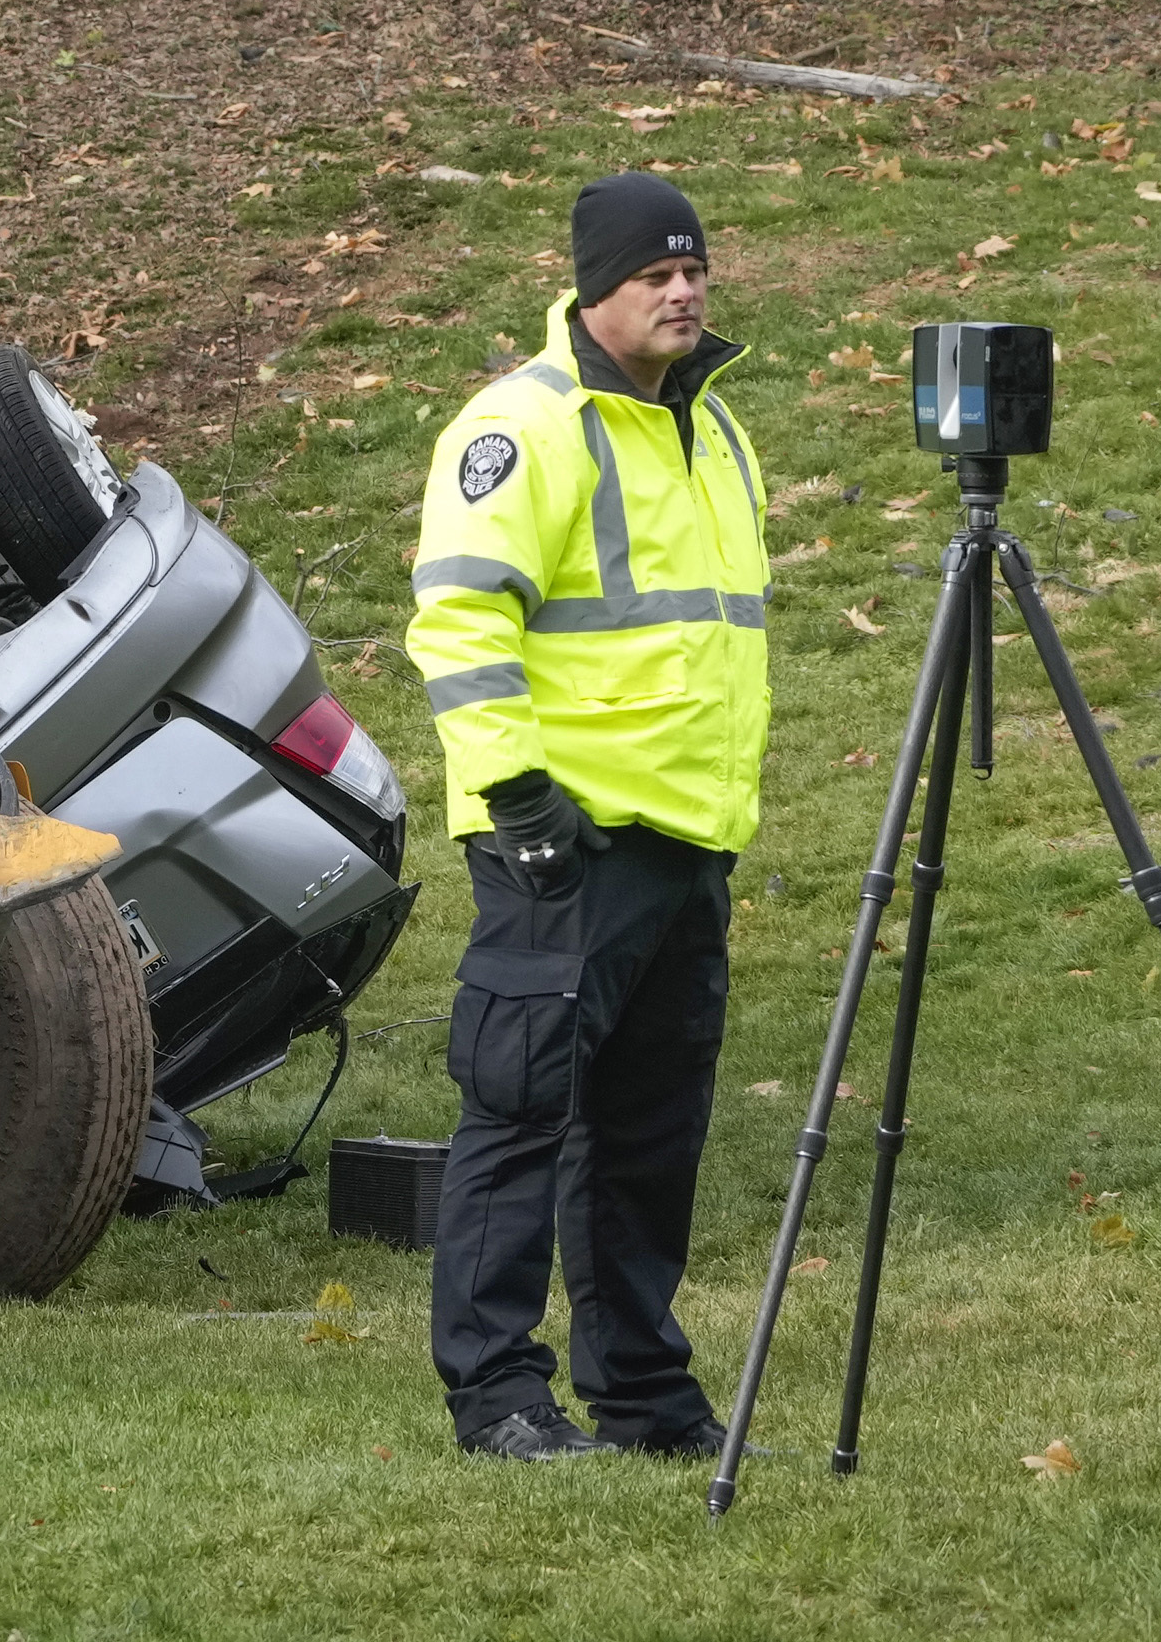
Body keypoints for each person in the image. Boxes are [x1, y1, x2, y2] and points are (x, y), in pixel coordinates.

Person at [407, 171, 774, 1463]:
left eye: (695, 270)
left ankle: (646, 1400)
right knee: (518, 1115)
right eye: (652, 275)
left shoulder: (714, 429)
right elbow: (458, 616)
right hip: (560, 844)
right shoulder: (522, 426)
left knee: (649, 1137)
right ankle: (497, 1394)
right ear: (592, 287)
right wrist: (516, 796)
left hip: (685, 843)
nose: (682, 291)